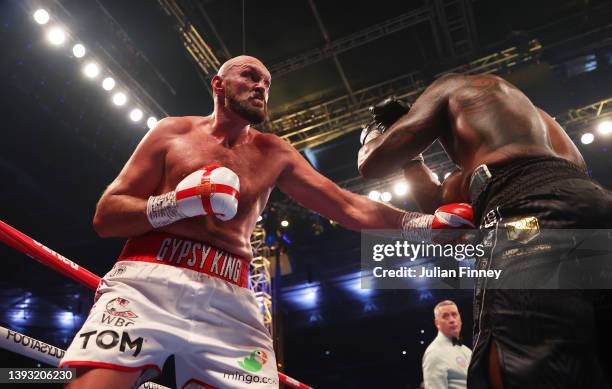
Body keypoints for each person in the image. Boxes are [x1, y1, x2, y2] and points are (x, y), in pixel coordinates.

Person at [58, 56, 471, 389]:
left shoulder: (275, 152)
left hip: (228, 297)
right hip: (147, 282)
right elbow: (106, 216)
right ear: (218, 84)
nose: (261, 87)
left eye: (266, 84)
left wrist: (421, 223)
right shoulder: (171, 133)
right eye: (250, 77)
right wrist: (177, 204)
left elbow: (348, 206)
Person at [358, 74, 612, 388]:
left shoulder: (452, 88)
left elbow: (371, 163)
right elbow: (438, 203)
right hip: (598, 212)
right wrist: (413, 161)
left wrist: (376, 133)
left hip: (528, 218)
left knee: (519, 360)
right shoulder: (531, 134)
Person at [422, 300, 472, 389]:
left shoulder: (467, 351)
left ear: (460, 319)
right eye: (445, 316)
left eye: (454, 314)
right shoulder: (434, 353)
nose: (452, 320)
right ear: (437, 323)